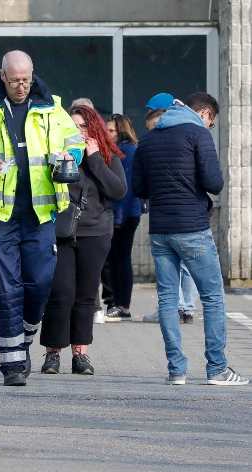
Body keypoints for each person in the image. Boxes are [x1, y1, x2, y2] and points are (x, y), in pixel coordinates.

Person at [0, 50, 85, 386]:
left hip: (40, 214)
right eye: (15, 80)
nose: (22, 86)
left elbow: (76, 140)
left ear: (32, 75)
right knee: (6, 288)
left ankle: (24, 337)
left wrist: (71, 154)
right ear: (3, 76)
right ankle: (12, 365)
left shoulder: (52, 107)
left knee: (39, 284)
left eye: (27, 79)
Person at [133, 92, 248, 386]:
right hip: (192, 227)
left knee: (168, 299)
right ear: (205, 113)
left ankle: (177, 370)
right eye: (211, 122)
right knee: (211, 297)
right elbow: (214, 183)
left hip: (160, 230)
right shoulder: (197, 133)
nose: (209, 127)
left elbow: (138, 188)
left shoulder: (148, 140)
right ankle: (217, 369)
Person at [39, 105, 127, 375]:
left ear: (94, 128)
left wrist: (96, 158)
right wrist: (61, 161)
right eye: (73, 126)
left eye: (83, 126)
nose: (78, 131)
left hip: (95, 232)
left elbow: (118, 190)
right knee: (61, 292)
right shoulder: (58, 153)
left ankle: (80, 353)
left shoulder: (106, 155)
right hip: (63, 232)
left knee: (87, 295)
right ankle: (53, 353)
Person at [140, 93, 198, 325]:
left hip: (169, 211)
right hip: (191, 211)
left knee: (173, 264)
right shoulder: (192, 131)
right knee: (186, 263)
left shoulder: (163, 138)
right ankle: (186, 307)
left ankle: (173, 308)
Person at [104, 113, 142, 320]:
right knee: (116, 259)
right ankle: (118, 303)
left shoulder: (126, 152)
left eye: (111, 131)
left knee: (121, 259)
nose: (108, 134)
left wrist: (118, 218)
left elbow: (125, 189)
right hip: (124, 213)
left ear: (121, 132)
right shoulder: (122, 151)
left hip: (125, 214)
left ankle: (122, 305)